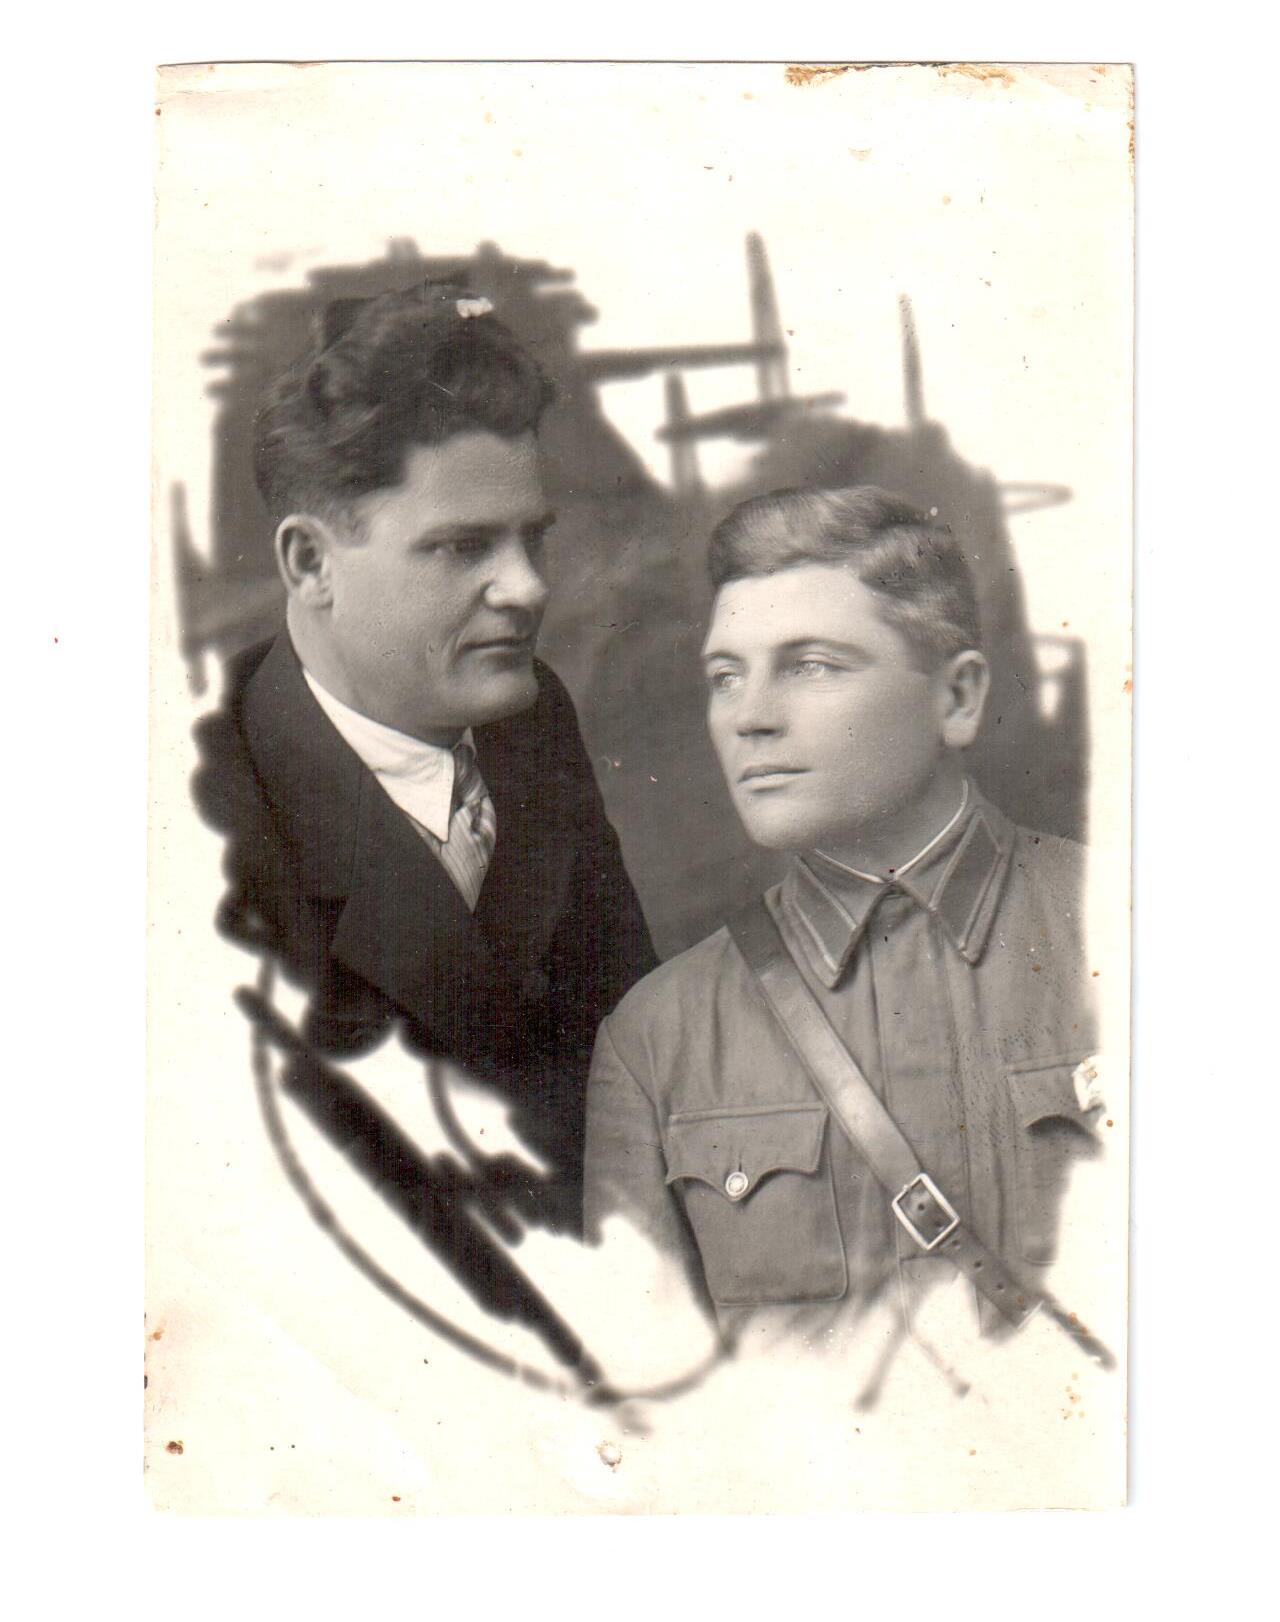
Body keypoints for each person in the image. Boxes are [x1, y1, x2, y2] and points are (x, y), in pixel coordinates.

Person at [584, 485, 1103, 1359]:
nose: (750, 717)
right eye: (725, 677)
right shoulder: (656, 1040)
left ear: (958, 697)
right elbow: (651, 1398)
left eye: (812, 665)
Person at [193, 281, 656, 1216]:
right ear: (311, 564)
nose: (527, 588)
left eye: (532, 540)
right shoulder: (197, 808)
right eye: (461, 548)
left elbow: (637, 1055)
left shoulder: (528, 719)